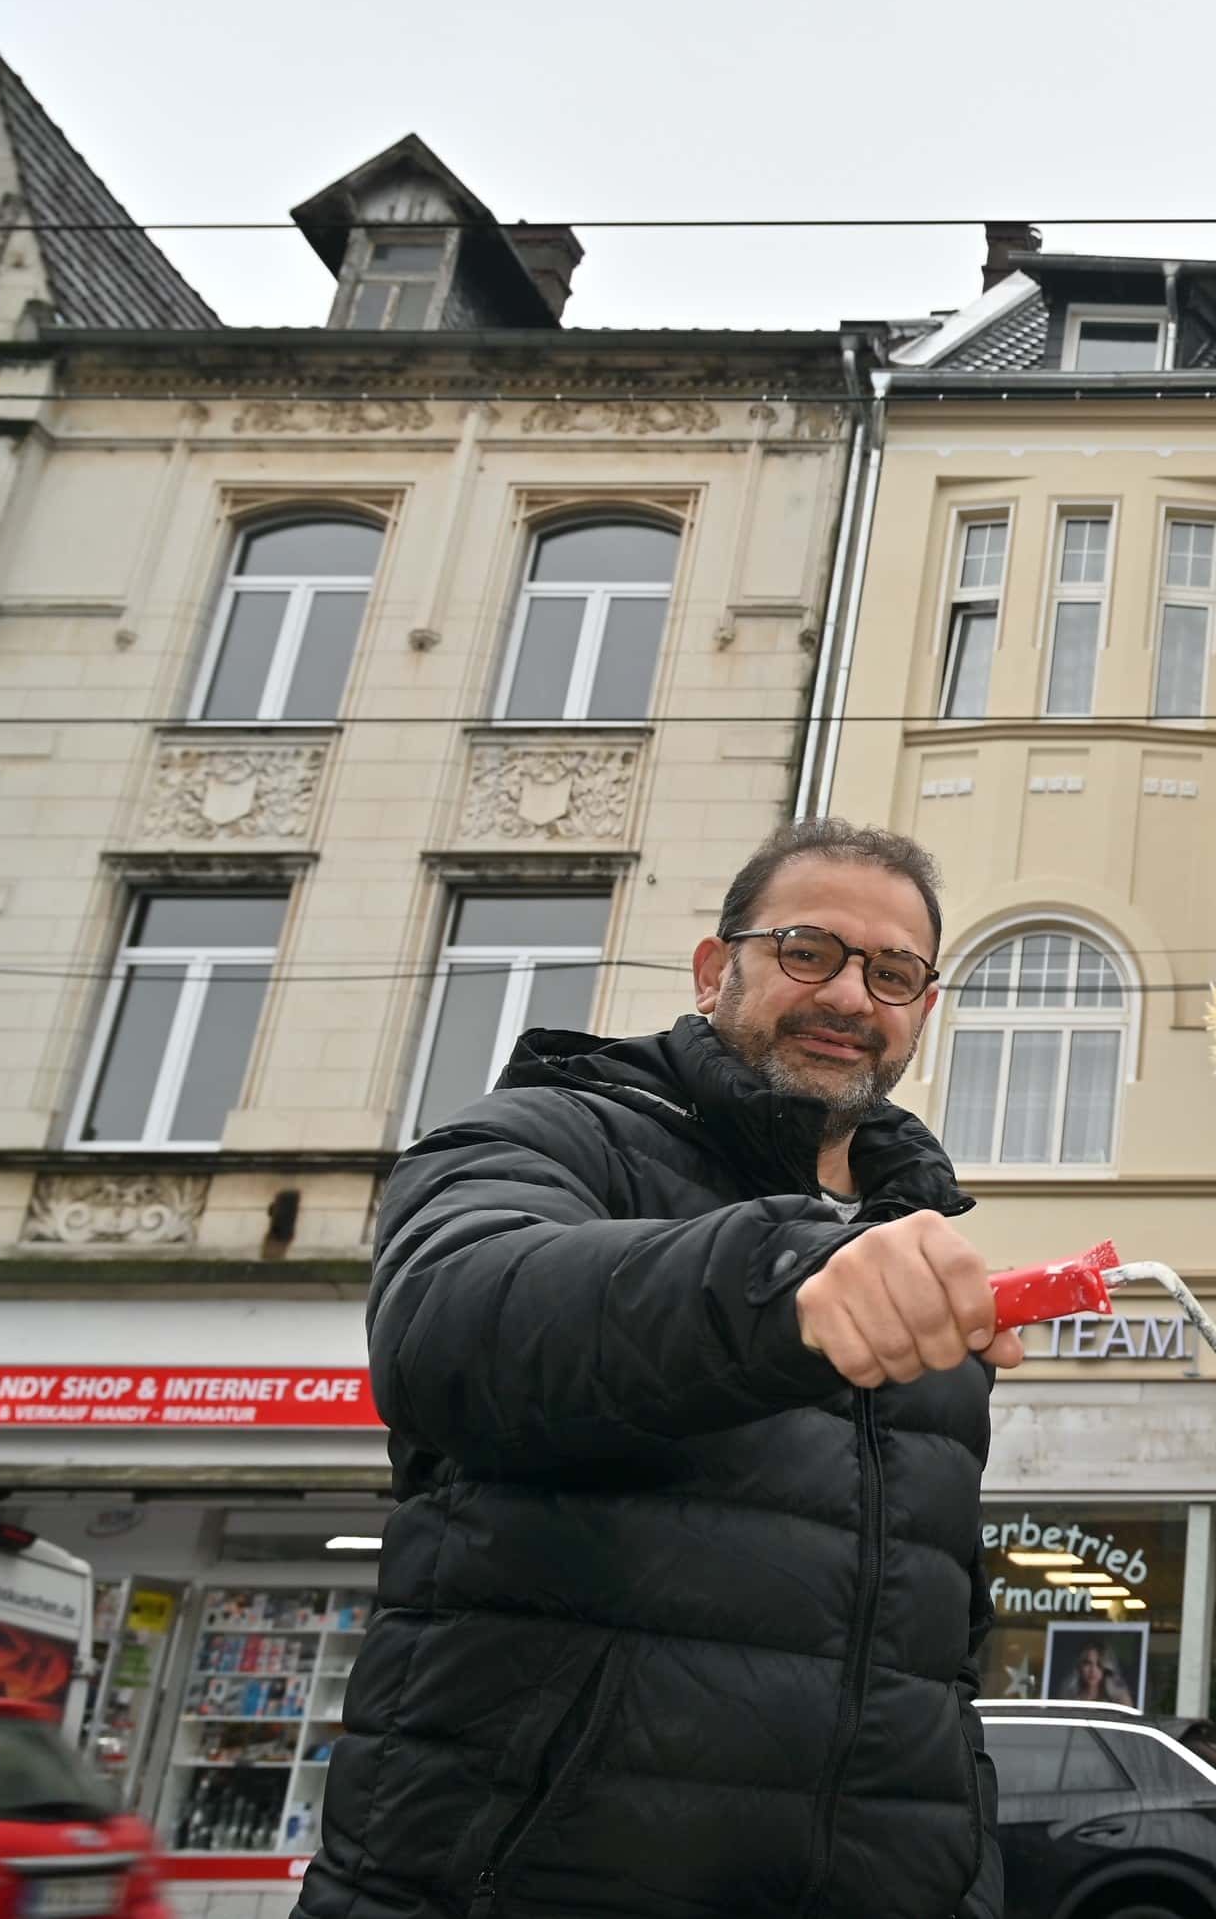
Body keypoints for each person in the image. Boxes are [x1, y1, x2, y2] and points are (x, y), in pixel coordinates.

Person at [297, 820, 1016, 1919]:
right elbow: (448, 1325)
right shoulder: (549, 1134)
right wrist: (785, 1278)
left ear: (920, 1010)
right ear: (713, 967)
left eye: (893, 974)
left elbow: (932, 1663)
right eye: (808, 951)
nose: (849, 999)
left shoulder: (916, 1249)